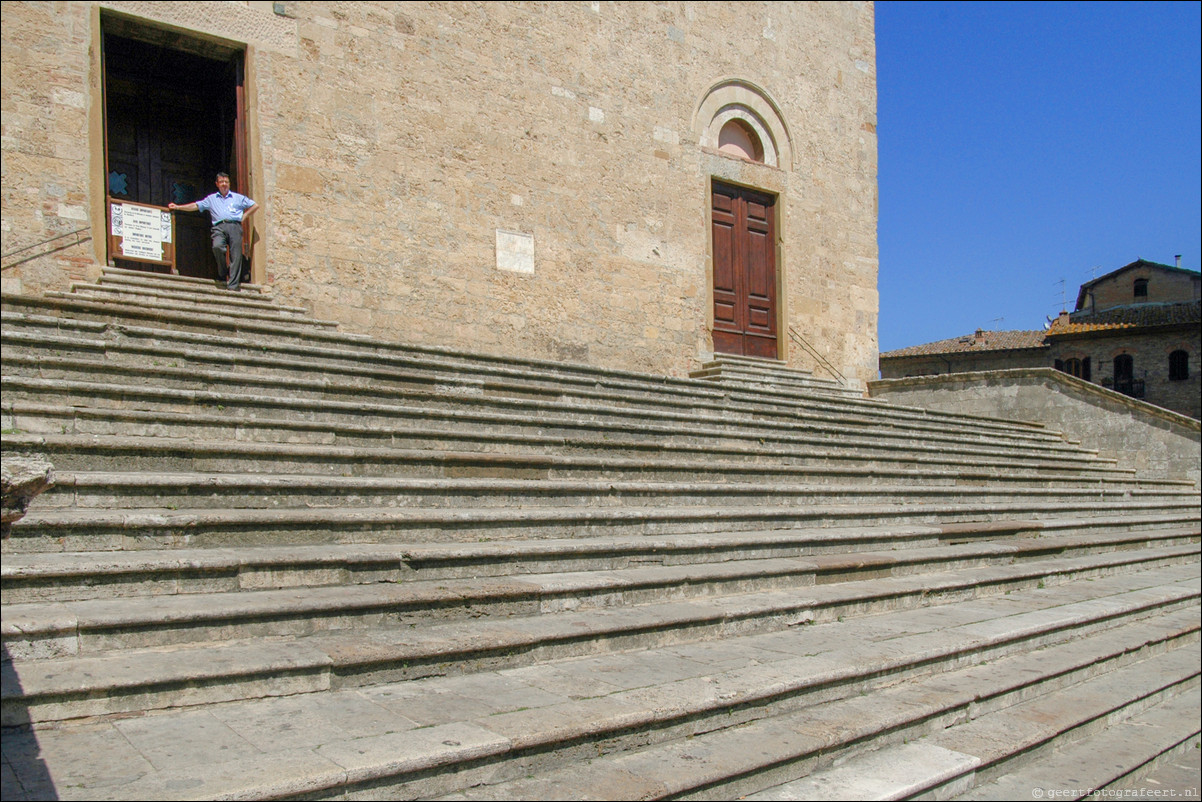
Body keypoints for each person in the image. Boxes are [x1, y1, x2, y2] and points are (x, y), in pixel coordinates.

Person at [169, 172, 258, 291]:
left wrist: (245, 216)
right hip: (219, 227)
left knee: (236, 255)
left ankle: (233, 285)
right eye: (222, 182)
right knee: (217, 247)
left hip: (235, 226)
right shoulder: (211, 199)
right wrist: (178, 207)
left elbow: (255, 205)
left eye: (226, 182)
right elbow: (196, 206)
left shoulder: (238, 198)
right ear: (217, 184)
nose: (224, 184)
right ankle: (222, 272)